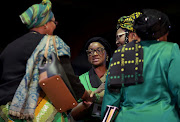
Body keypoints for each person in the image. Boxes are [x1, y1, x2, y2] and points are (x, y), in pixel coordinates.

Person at [0, 0, 91, 121]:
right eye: (54, 22)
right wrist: (85, 95)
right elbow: (68, 77)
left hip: (6, 114)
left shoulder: (8, 48)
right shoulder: (52, 43)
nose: (55, 25)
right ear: (45, 24)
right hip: (36, 112)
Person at [101, 9, 180, 122]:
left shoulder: (120, 54)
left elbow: (111, 99)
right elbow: (178, 87)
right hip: (163, 117)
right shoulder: (170, 50)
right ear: (163, 32)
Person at [70, 37, 112, 121]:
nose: (94, 54)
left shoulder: (114, 76)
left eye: (99, 50)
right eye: (90, 52)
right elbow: (71, 113)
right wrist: (85, 104)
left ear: (107, 54)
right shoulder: (80, 80)